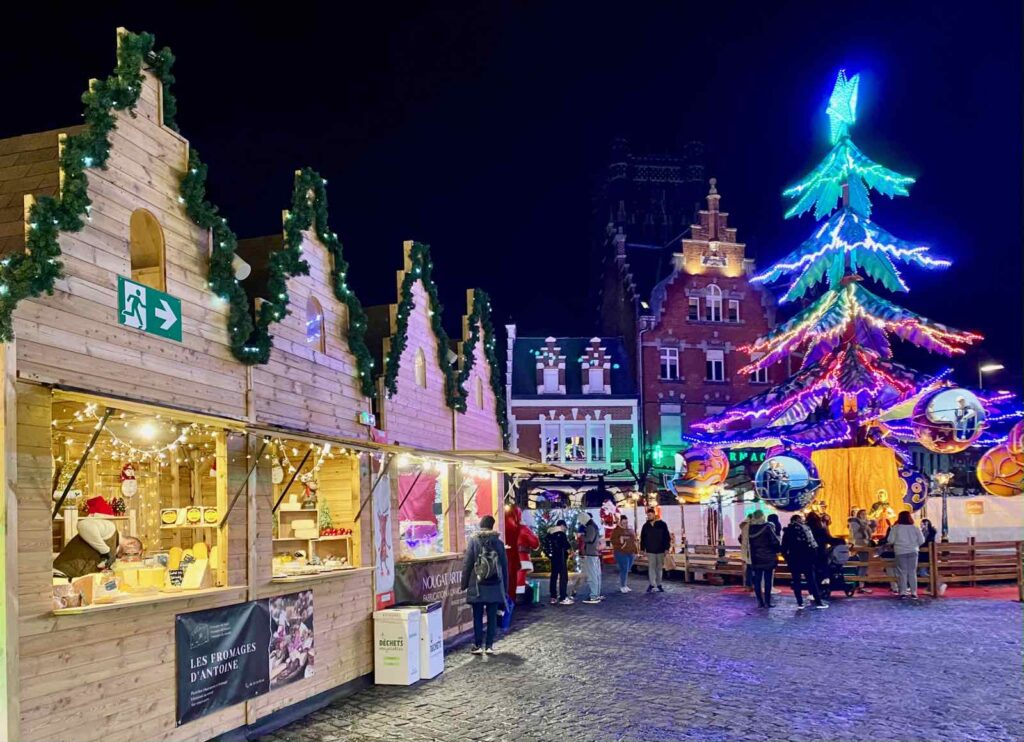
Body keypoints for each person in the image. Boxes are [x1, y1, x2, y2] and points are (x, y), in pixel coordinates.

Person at [461, 515, 509, 654]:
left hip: (477, 585)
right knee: (492, 617)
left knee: (477, 616)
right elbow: (504, 567)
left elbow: (467, 564)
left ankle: (477, 645)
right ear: (492, 526)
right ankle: (489, 646)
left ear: (481, 525)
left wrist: (464, 584)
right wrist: (505, 587)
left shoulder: (474, 541)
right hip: (494, 585)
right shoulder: (499, 543)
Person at [53, 517, 142, 579]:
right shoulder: (110, 529)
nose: (131, 558)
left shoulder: (114, 555)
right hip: (59, 574)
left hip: (74, 582)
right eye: (135, 554)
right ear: (131, 543)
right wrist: (105, 551)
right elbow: (83, 525)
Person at [782, 514, 828, 609]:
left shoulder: (788, 531)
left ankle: (800, 603)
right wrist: (813, 557)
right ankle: (818, 602)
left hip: (794, 559)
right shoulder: (806, 529)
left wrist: (788, 558)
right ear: (799, 520)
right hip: (807, 559)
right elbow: (812, 544)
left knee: (796, 581)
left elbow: (783, 548)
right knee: (811, 581)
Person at [746, 511, 781, 608]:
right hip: (768, 557)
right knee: (768, 580)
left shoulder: (749, 528)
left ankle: (760, 602)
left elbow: (742, 539)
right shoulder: (767, 527)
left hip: (755, 557)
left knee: (757, 580)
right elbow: (775, 542)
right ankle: (767, 602)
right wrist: (777, 550)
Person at [888, 510, 925, 598]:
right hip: (913, 551)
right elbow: (922, 540)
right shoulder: (915, 528)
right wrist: (914, 545)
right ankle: (914, 592)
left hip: (900, 551)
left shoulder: (896, 528)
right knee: (912, 572)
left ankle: (903, 592)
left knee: (902, 572)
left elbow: (890, 540)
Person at [639, 507, 671, 593]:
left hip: (660, 549)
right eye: (648, 515)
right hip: (650, 550)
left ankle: (659, 584)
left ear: (654, 514)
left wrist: (667, 548)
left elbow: (667, 537)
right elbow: (643, 538)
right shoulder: (645, 526)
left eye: (650, 515)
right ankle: (652, 584)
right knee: (651, 567)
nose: (648, 516)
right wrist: (642, 549)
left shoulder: (662, 524)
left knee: (659, 568)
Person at [544, 519, 573, 605]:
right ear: (562, 526)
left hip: (553, 559)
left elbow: (546, 546)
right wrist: (570, 552)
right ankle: (563, 597)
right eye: (565, 527)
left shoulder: (550, 534)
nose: (565, 529)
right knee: (563, 578)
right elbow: (566, 546)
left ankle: (553, 597)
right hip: (561, 558)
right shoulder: (561, 534)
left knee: (553, 577)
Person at [847, 508, 875, 594]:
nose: (864, 515)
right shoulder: (855, 522)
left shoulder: (865, 522)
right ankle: (860, 585)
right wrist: (865, 525)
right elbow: (856, 533)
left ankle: (861, 584)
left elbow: (870, 533)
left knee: (864, 565)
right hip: (860, 543)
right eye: (863, 514)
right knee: (863, 564)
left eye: (865, 514)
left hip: (865, 543)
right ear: (859, 514)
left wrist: (872, 526)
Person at [578, 512, 604, 604]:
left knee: (592, 576)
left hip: (591, 553)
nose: (580, 522)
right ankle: (597, 594)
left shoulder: (590, 526)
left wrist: (581, 537)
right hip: (594, 553)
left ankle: (594, 596)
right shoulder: (594, 525)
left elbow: (589, 539)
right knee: (596, 575)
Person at [610, 514, 639, 593]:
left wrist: (636, 551)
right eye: (623, 523)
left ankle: (624, 585)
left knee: (627, 569)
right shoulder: (616, 530)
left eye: (626, 522)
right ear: (620, 522)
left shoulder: (630, 529)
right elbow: (613, 540)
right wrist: (620, 540)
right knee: (624, 568)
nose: (625, 524)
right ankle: (623, 585)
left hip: (630, 552)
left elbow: (634, 540)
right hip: (621, 552)